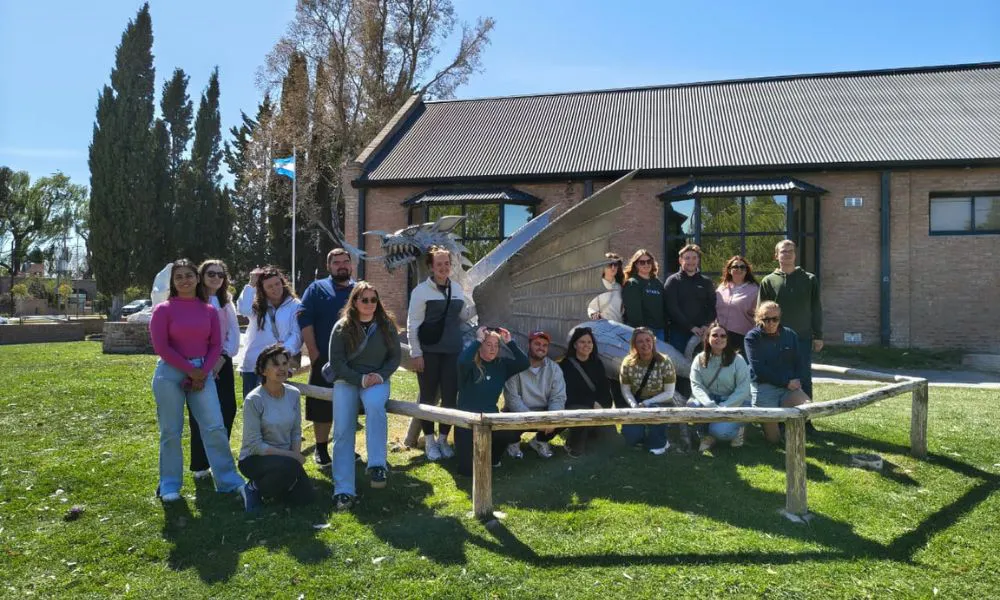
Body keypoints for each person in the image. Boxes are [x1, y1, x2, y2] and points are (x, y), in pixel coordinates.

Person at [149, 259, 245, 502]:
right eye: (179, 277)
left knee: (214, 426)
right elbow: (162, 347)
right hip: (170, 373)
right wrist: (191, 371)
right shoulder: (164, 309)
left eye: (189, 275)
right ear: (173, 282)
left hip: (203, 371)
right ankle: (169, 484)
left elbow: (215, 344)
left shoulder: (209, 309)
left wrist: (203, 370)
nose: (184, 280)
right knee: (171, 431)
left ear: (196, 278)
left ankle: (228, 480)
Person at [327, 282, 401, 511]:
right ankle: (343, 490)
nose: (369, 304)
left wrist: (380, 375)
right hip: (348, 379)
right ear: (355, 301)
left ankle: (377, 464)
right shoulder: (342, 327)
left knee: (375, 406)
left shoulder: (386, 325)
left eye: (373, 300)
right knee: (342, 430)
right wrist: (359, 379)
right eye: (364, 299)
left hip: (376, 378)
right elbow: (336, 362)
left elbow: (394, 357)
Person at [407, 246, 475, 462]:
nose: (444, 267)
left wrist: (481, 303)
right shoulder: (420, 291)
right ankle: (429, 441)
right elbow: (413, 324)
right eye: (439, 264)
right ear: (430, 267)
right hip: (429, 352)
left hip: (453, 351)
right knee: (427, 397)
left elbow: (462, 315)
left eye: (447, 263)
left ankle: (443, 439)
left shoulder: (456, 288)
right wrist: (415, 353)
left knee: (449, 397)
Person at [297, 248, 356, 468]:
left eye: (345, 261)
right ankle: (321, 450)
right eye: (336, 262)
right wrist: (313, 352)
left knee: (350, 405)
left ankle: (346, 447)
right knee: (322, 406)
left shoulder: (359, 289)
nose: (341, 265)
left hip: (353, 361)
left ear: (351, 264)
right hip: (325, 359)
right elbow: (304, 320)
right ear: (329, 266)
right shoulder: (316, 289)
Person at [238, 344, 314, 512]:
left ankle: (277, 488)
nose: (282, 369)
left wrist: (295, 454)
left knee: (306, 498)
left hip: (286, 457)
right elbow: (256, 445)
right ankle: (253, 488)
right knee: (288, 467)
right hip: (255, 458)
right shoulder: (254, 400)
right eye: (275, 364)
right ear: (263, 371)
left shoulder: (293, 393)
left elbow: (296, 430)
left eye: (285, 364)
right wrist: (292, 456)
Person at [758, 240, 822, 433]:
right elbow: (761, 312)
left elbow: (816, 308)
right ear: (776, 255)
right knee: (779, 377)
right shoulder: (768, 281)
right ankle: (779, 419)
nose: (786, 255)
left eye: (790, 251)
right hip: (776, 338)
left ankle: (805, 420)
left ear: (795, 255)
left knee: (803, 377)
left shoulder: (809, 279)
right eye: (782, 252)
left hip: (802, 338)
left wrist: (818, 335)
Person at [187, 259, 240, 481]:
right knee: (199, 413)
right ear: (202, 275)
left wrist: (222, 358)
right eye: (211, 273)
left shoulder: (225, 301)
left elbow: (234, 334)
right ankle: (200, 464)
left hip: (222, 362)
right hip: (198, 362)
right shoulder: (192, 301)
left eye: (220, 274)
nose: (216, 278)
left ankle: (218, 457)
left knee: (227, 409)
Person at [454, 327, 530, 476]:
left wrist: (510, 342)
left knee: (510, 434)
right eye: (488, 344)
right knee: (467, 472)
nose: (493, 349)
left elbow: (524, 363)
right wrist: (477, 340)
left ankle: (494, 459)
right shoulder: (470, 365)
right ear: (481, 345)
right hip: (466, 423)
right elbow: (462, 361)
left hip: (491, 420)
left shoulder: (501, 364)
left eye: (496, 345)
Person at [744, 301, 809, 444]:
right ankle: (770, 430)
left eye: (775, 319)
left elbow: (799, 361)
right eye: (766, 319)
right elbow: (759, 369)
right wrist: (786, 382)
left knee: (808, 408)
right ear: (759, 319)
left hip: (789, 386)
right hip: (764, 386)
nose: (771, 323)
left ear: (780, 318)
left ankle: (789, 433)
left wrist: (797, 380)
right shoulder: (752, 338)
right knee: (773, 440)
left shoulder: (790, 334)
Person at [502, 330, 568, 459]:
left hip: (544, 412)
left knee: (565, 416)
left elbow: (558, 397)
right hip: (519, 413)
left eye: (544, 345)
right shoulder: (517, 366)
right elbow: (512, 400)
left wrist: (552, 419)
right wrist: (536, 421)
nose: (541, 348)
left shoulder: (554, 368)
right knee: (507, 418)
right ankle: (513, 443)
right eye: (537, 344)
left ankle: (539, 441)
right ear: (529, 345)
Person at [239, 267, 302, 401]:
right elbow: (243, 309)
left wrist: (283, 351)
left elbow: (296, 334)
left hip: (278, 364)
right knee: (252, 405)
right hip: (253, 364)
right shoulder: (256, 305)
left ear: (283, 283)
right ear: (262, 289)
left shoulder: (295, 305)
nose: (275, 288)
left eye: (277, 284)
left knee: (275, 406)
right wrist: (251, 284)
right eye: (269, 286)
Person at [687, 323, 752, 451]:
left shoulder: (737, 360)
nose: (719, 338)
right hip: (711, 400)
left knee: (719, 431)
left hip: (736, 402)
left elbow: (743, 389)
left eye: (723, 336)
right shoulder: (699, 359)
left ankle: (737, 430)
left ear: (727, 340)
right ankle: (705, 436)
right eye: (715, 335)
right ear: (707, 338)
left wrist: (725, 407)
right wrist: (708, 403)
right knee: (692, 406)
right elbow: (696, 385)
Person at [619, 327, 679, 455]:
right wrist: (634, 405)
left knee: (655, 449)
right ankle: (644, 434)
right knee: (631, 437)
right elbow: (626, 390)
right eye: (640, 341)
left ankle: (661, 441)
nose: (645, 344)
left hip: (660, 400)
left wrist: (648, 402)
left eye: (648, 340)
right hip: (637, 401)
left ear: (653, 342)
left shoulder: (664, 362)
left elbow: (669, 393)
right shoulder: (627, 363)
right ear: (634, 344)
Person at [558, 326, 613, 457]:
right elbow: (568, 393)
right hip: (573, 404)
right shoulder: (566, 365)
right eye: (582, 342)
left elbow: (604, 388)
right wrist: (591, 403)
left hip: (596, 405)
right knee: (583, 418)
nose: (586, 345)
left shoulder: (597, 363)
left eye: (589, 342)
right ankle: (573, 445)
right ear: (575, 345)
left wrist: (604, 405)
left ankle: (591, 435)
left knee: (610, 435)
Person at [663, 244, 716, 356]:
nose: (691, 261)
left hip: (702, 333)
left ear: (698, 260)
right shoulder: (673, 281)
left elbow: (712, 306)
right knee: (679, 367)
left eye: (694, 258)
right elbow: (672, 308)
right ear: (680, 260)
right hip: (678, 333)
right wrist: (690, 327)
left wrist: (706, 325)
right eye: (687, 258)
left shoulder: (706, 282)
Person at [715, 255, 759, 354]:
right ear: (729, 270)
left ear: (747, 270)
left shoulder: (754, 289)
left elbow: (758, 315)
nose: (739, 269)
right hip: (721, 335)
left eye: (742, 267)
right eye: (735, 267)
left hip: (742, 336)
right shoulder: (722, 287)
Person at [621, 249, 668, 340]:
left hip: (660, 330)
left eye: (649, 261)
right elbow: (634, 313)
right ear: (636, 264)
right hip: (643, 332)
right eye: (642, 262)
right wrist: (643, 332)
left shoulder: (657, 282)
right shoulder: (632, 283)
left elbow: (663, 306)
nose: (646, 264)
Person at [587, 252, 624, 322]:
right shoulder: (595, 286)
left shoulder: (620, 287)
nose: (613, 267)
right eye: (609, 264)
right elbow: (590, 307)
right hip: (603, 327)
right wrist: (593, 314)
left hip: (619, 327)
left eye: (615, 264)